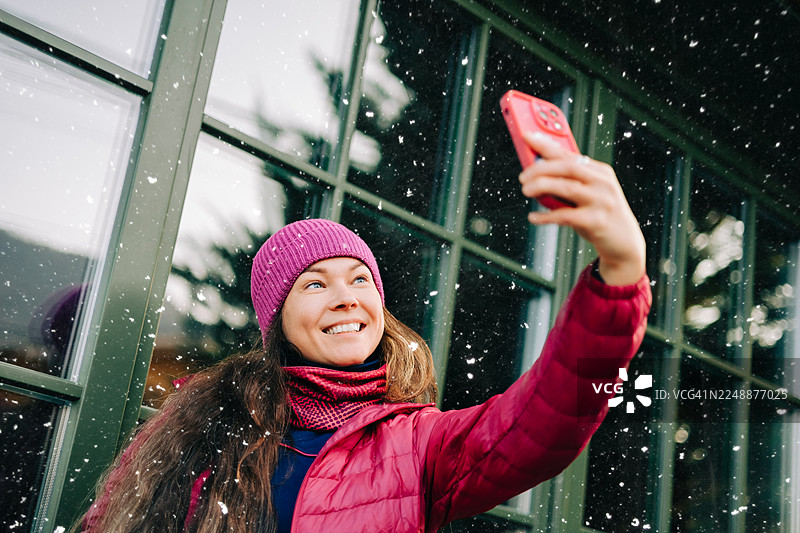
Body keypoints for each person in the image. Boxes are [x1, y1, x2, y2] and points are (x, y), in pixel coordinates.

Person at [77, 132, 651, 532]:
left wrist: (619, 276)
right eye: (315, 285)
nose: (347, 297)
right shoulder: (202, 424)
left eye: (359, 279)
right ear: (277, 321)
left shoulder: (417, 445)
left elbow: (542, 421)